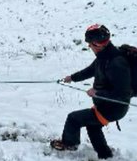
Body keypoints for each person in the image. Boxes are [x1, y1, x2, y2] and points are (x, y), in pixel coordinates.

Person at [50, 24, 132, 160]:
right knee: (92, 125)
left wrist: (97, 93)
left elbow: (122, 94)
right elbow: (90, 70)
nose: (89, 47)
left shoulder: (116, 63)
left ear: (98, 44)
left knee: (74, 118)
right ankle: (105, 154)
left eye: (90, 44)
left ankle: (69, 144)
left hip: (114, 107)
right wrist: (72, 78)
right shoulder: (104, 56)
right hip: (106, 105)